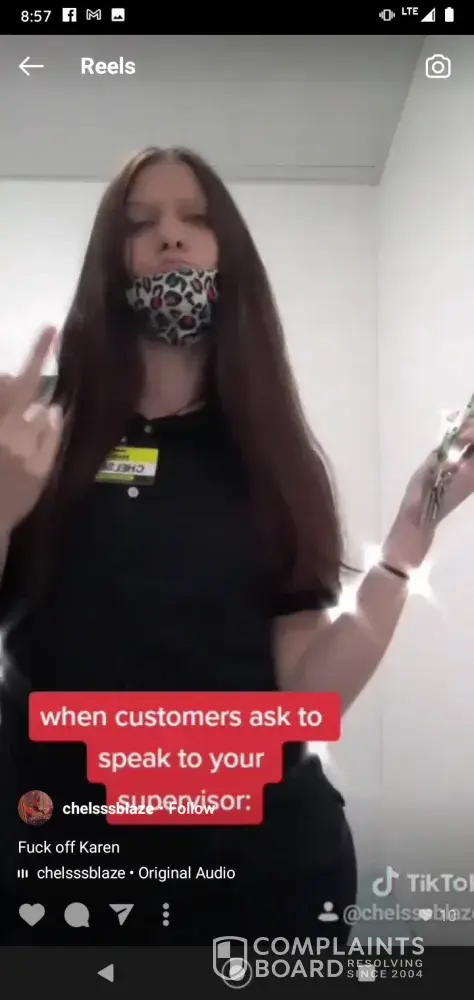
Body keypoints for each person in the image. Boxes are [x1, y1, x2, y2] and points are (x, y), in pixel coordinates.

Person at [0, 146, 473, 947]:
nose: (170, 237)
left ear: (231, 259)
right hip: (65, 873)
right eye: (140, 224)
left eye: (196, 220)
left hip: (265, 880)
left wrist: (409, 536)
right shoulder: (31, 434)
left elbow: (305, 695)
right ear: (107, 264)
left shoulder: (274, 456)